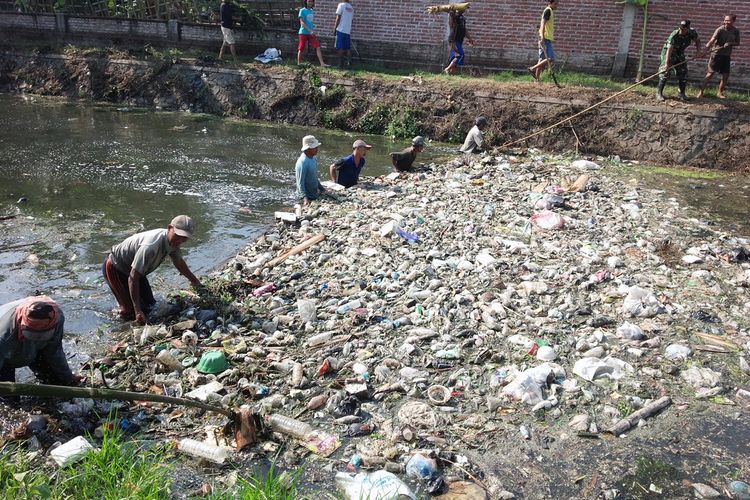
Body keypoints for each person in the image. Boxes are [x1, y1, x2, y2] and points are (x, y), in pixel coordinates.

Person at [103, 215, 201, 325]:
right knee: (129, 312)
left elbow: (179, 264)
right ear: (169, 228)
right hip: (116, 267)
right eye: (178, 235)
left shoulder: (173, 243)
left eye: (184, 238)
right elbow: (132, 279)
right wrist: (137, 311)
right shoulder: (151, 246)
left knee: (151, 305)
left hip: (136, 270)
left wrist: (196, 282)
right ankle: (115, 320)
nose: (180, 240)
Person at [0, 296, 78, 385]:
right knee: (8, 396)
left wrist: (69, 377)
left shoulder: (58, 318)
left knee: (57, 382)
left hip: (37, 349)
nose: (37, 337)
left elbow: (55, 352)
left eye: (41, 333)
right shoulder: (4, 333)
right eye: (33, 332)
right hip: (5, 354)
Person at [656, 20, 701, 102]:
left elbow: (698, 40)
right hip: (669, 53)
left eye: (684, 29)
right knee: (665, 72)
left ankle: (681, 94)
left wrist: (698, 52)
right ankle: (659, 93)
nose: (682, 30)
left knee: (683, 73)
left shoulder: (692, 32)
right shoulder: (674, 35)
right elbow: (669, 49)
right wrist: (666, 64)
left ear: (688, 28)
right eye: (681, 28)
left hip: (680, 53)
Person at [698, 15, 740, 99]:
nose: (726, 22)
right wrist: (705, 51)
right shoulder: (720, 30)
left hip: (726, 55)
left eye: (728, 20)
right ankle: (700, 92)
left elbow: (737, 43)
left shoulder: (735, 31)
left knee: (725, 75)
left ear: (733, 21)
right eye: (725, 20)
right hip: (716, 54)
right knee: (710, 74)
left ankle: (719, 93)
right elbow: (711, 40)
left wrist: (730, 43)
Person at [528, 0, 559, 82]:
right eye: (555, 4)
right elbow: (542, 24)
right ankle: (533, 68)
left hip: (546, 38)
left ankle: (537, 80)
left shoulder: (550, 11)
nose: (557, 6)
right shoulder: (548, 11)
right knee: (551, 58)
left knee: (541, 60)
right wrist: (542, 37)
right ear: (550, 3)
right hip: (545, 39)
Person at [297, 0, 329, 67]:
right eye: (309, 1)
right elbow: (302, 23)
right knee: (301, 48)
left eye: (312, 1)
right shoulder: (302, 10)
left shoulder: (312, 11)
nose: (310, 3)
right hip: (303, 32)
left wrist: (313, 30)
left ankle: (322, 63)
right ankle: (299, 64)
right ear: (306, 2)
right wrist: (310, 30)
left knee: (317, 46)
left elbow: (310, 22)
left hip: (311, 33)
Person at [296, 135, 326, 205]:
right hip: (306, 197)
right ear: (308, 148)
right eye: (315, 147)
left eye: (317, 147)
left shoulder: (313, 158)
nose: (317, 149)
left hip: (314, 194)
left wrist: (322, 189)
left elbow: (314, 177)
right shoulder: (302, 162)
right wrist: (305, 198)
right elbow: (300, 182)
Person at [444, 9, 474, 75]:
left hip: (459, 40)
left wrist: (470, 38)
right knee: (460, 55)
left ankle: (451, 73)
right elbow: (451, 22)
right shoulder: (454, 17)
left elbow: (464, 29)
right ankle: (447, 69)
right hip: (454, 40)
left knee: (455, 56)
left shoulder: (462, 18)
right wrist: (451, 13)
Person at [334, 0, 355, 67]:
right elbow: (351, 20)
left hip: (340, 30)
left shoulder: (341, 5)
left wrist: (335, 28)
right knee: (347, 48)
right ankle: (349, 62)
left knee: (340, 47)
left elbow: (338, 18)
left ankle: (340, 64)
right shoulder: (351, 8)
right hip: (347, 31)